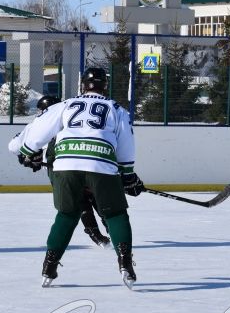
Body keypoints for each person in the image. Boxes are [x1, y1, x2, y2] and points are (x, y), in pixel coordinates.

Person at [16, 67, 144, 287]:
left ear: (83, 85)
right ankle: (125, 264)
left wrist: (28, 152)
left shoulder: (66, 104)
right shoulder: (116, 108)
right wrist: (127, 174)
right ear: (105, 85)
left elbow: (40, 131)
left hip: (66, 164)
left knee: (66, 215)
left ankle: (49, 267)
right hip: (101, 162)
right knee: (115, 215)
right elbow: (126, 145)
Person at [9, 95, 111, 248]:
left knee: (82, 200)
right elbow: (16, 147)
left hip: (64, 169)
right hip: (72, 166)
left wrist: (25, 156)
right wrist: (27, 156)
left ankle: (97, 232)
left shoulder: (40, 124)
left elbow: (14, 146)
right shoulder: (66, 120)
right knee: (89, 198)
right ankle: (102, 230)